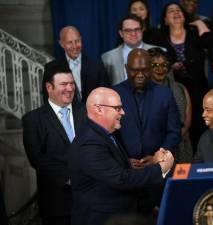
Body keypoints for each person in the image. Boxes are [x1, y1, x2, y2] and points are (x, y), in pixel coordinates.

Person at [69, 87, 174, 225]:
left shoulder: (104, 135)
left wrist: (154, 161)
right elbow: (121, 179)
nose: (123, 112)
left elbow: (119, 172)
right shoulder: (90, 142)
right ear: (99, 109)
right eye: (118, 108)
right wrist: (161, 168)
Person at [113, 48, 181, 213]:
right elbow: (110, 135)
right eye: (135, 70)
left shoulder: (164, 94)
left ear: (150, 68)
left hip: (156, 174)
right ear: (126, 68)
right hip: (126, 173)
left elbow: (174, 131)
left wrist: (159, 156)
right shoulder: (114, 94)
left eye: (144, 69)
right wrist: (123, 160)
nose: (140, 74)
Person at [22, 62, 87, 225]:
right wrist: (71, 178)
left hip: (91, 200)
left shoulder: (87, 112)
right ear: (49, 87)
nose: (70, 88)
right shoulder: (33, 120)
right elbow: (37, 159)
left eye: (72, 83)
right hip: (57, 204)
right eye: (64, 84)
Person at [153, 2, 213, 150]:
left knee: (200, 128)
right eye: (171, 11)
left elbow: (210, 43)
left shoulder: (194, 32)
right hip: (173, 91)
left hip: (198, 90)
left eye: (178, 10)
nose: (176, 13)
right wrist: (170, 67)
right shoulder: (158, 38)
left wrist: (200, 24)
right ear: (165, 20)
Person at [148, 47, 193, 163]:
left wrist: (172, 141)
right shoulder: (143, 91)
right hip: (154, 149)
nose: (160, 69)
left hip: (181, 145)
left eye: (164, 64)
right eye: (154, 65)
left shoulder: (180, 88)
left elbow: (187, 121)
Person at [43, 26, 109, 103]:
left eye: (77, 41)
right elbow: (48, 97)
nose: (74, 46)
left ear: (81, 40)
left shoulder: (97, 65)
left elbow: (105, 93)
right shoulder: (51, 68)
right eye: (69, 42)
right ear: (61, 44)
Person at [101, 14, 159, 85]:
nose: (133, 34)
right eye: (128, 30)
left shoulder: (159, 52)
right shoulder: (108, 58)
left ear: (142, 30)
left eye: (137, 29)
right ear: (121, 33)